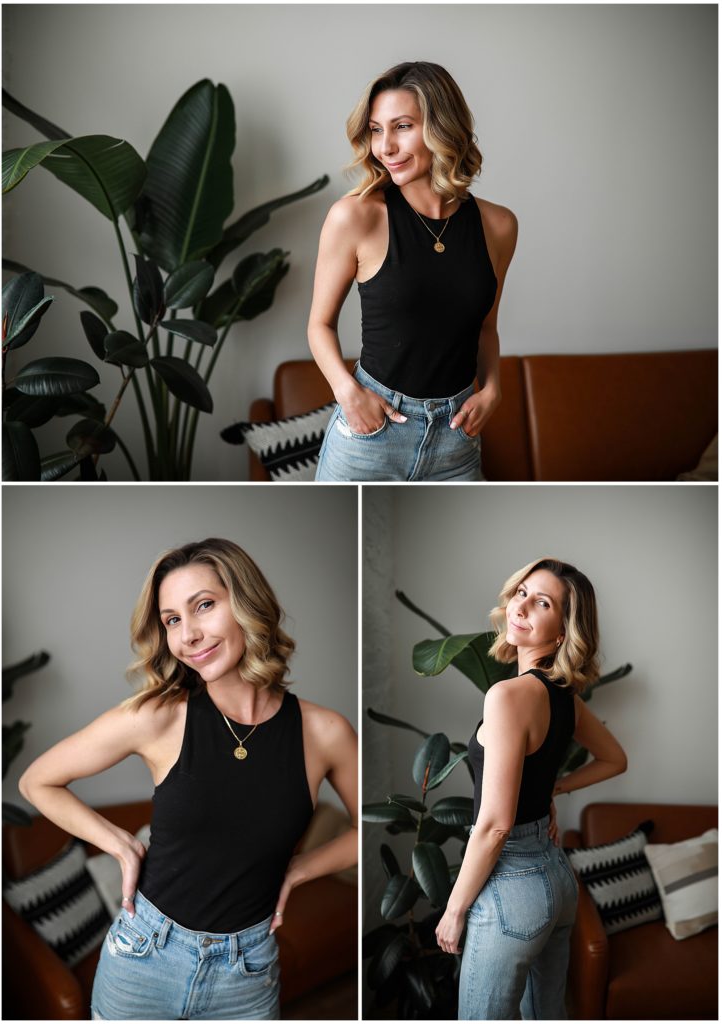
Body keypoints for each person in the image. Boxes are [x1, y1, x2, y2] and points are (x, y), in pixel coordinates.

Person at [19, 538, 358, 1021]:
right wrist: (120, 844)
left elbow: (369, 825)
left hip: (249, 971)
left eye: (204, 606)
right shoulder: (158, 716)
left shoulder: (325, 733)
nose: (189, 635)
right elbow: (37, 781)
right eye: (173, 620)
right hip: (143, 960)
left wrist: (299, 869)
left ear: (247, 604)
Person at [435, 557, 627, 1020]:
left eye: (542, 603)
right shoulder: (565, 695)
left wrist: (454, 909)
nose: (522, 606)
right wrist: (553, 790)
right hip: (557, 880)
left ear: (562, 631)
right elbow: (615, 760)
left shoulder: (508, 697)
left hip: (511, 885)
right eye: (522, 593)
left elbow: (495, 826)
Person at [309, 60, 518, 482]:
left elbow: (486, 328)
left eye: (402, 126)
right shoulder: (355, 217)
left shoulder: (499, 226)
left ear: (443, 128)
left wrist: (493, 389)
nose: (385, 146)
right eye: (375, 129)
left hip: (457, 441)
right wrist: (347, 392)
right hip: (371, 435)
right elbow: (319, 324)